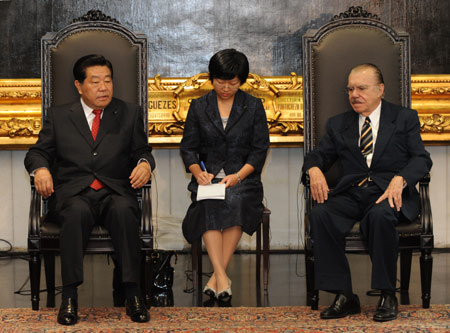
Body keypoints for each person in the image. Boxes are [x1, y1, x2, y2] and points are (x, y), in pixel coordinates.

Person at [24, 54, 155, 325]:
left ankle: (133, 294)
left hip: (114, 191)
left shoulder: (129, 113)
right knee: (76, 212)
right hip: (74, 193)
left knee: (123, 210)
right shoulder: (60, 116)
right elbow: (37, 152)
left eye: (108, 80)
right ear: (79, 85)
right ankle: (69, 296)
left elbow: (142, 151)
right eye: (95, 82)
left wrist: (145, 164)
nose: (103, 87)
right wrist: (42, 169)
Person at [302, 63, 432, 322]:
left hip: (388, 192)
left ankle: (387, 293)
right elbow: (318, 156)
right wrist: (314, 169)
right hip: (352, 193)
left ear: (380, 90)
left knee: (379, 217)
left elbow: (421, 159)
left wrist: (401, 179)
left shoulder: (404, 118)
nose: (354, 94)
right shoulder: (339, 124)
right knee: (321, 215)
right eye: (350, 89)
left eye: (361, 88)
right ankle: (344, 295)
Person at [180, 49, 269, 302]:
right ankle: (222, 276)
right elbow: (188, 148)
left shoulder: (253, 106)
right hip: (208, 178)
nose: (226, 88)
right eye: (221, 82)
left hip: (243, 179)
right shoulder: (199, 106)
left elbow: (259, 150)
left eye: (233, 82)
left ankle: (216, 277)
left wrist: (238, 176)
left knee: (236, 200)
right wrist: (198, 173)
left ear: (242, 80)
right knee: (208, 202)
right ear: (212, 78)